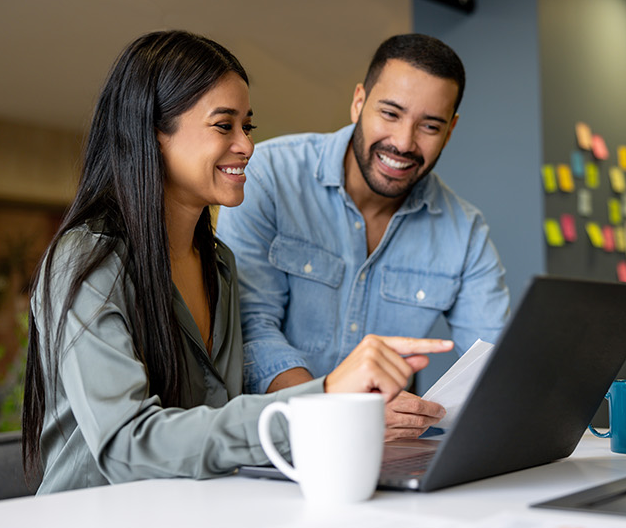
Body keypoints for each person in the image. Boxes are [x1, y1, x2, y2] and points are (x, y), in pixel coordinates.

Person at [19, 31, 452, 494]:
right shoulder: (85, 261)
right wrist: (322, 399)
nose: (246, 145)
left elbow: (221, 418)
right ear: (152, 132)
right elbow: (128, 446)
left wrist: (347, 416)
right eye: (224, 126)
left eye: (248, 127)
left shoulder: (218, 263)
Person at [218, 34, 509, 441]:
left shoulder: (465, 231)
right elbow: (250, 328)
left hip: (387, 449)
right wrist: (335, 412)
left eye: (429, 126)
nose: (404, 142)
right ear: (359, 102)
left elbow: (494, 362)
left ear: (450, 130)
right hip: (273, 442)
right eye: (390, 114)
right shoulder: (268, 177)